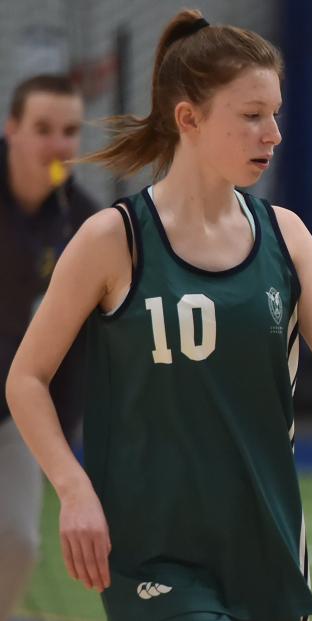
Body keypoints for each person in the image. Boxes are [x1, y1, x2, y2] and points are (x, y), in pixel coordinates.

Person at [5, 10, 312, 621]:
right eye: (252, 115)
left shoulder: (286, 237)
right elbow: (26, 378)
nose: (274, 133)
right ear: (190, 118)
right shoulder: (114, 238)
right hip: (153, 546)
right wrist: (72, 489)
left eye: (276, 114)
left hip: (266, 536)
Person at [0, 73, 96, 620]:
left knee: (18, 542)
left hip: (10, 410)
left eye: (69, 131)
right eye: (42, 129)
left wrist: (61, 434)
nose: (57, 145)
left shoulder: (82, 224)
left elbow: (81, 340)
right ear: (12, 130)